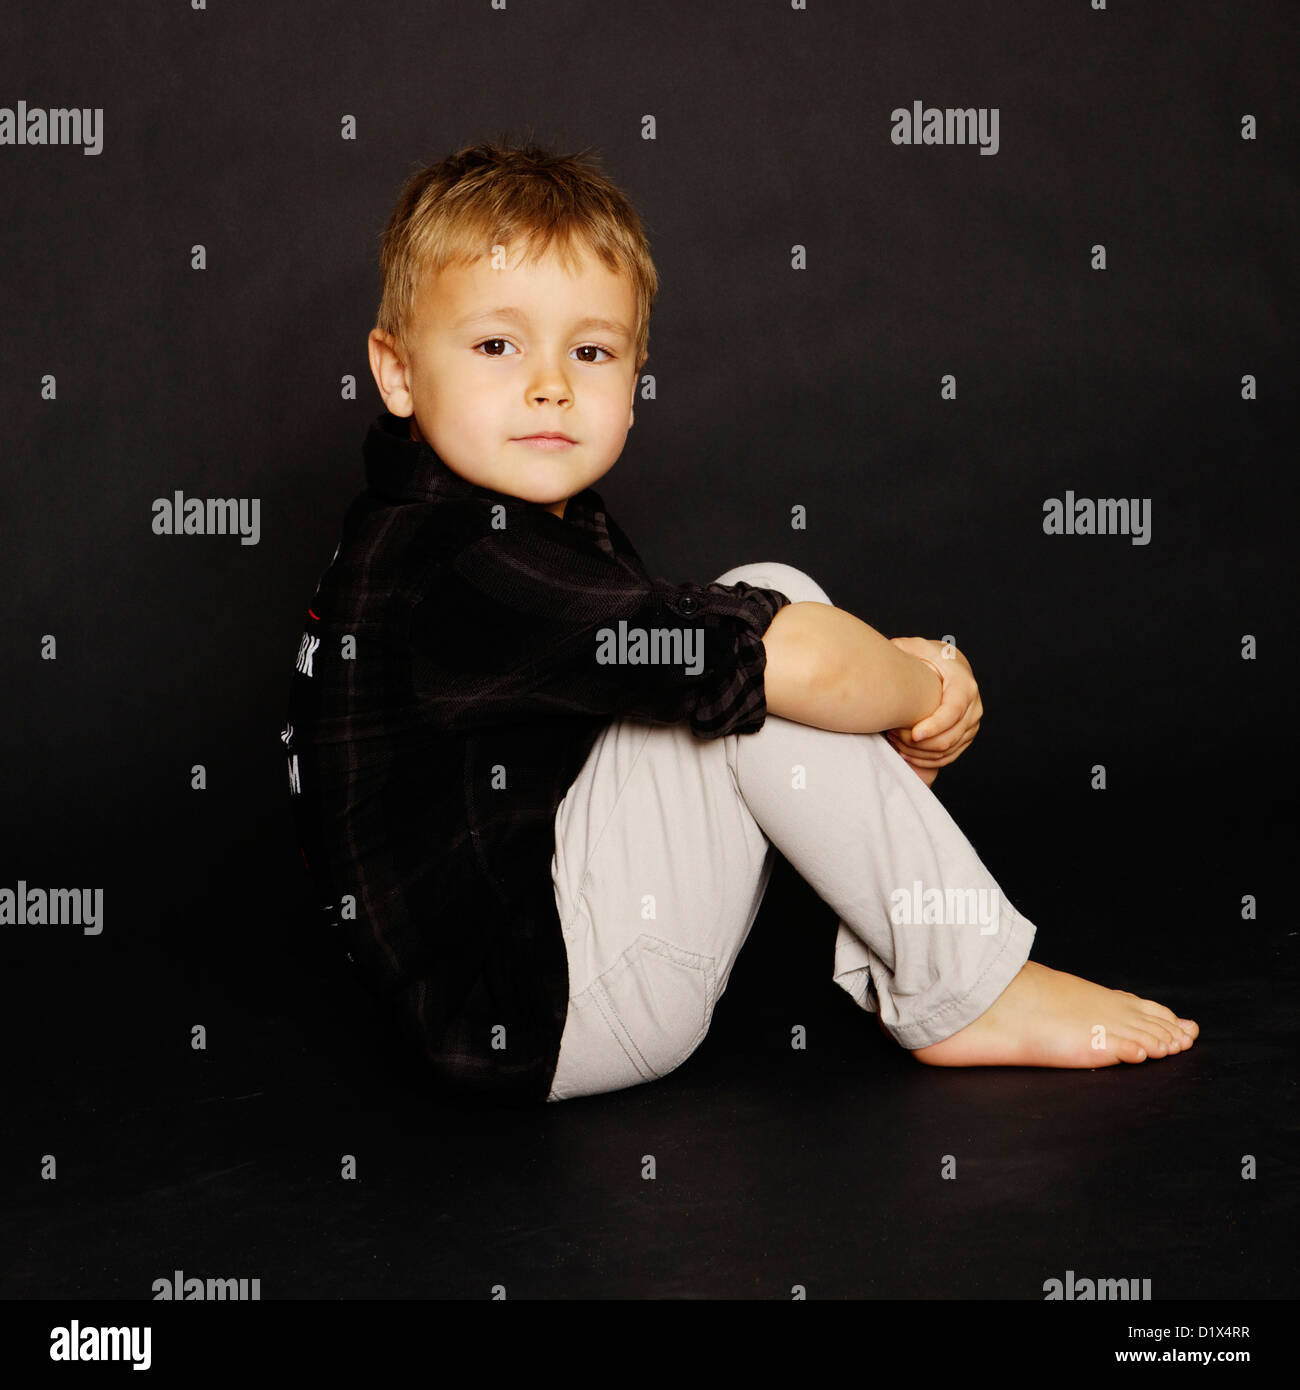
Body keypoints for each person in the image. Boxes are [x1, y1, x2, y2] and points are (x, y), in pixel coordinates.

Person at [284, 139, 1198, 1106]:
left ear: (635, 374)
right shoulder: (462, 563)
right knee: (768, 631)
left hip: (503, 980)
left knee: (752, 638)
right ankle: (970, 985)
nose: (550, 383)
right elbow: (767, 659)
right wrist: (924, 683)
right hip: (545, 1016)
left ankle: (917, 880)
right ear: (395, 371)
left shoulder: (458, 527)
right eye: (496, 345)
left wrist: (865, 710)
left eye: (590, 351)